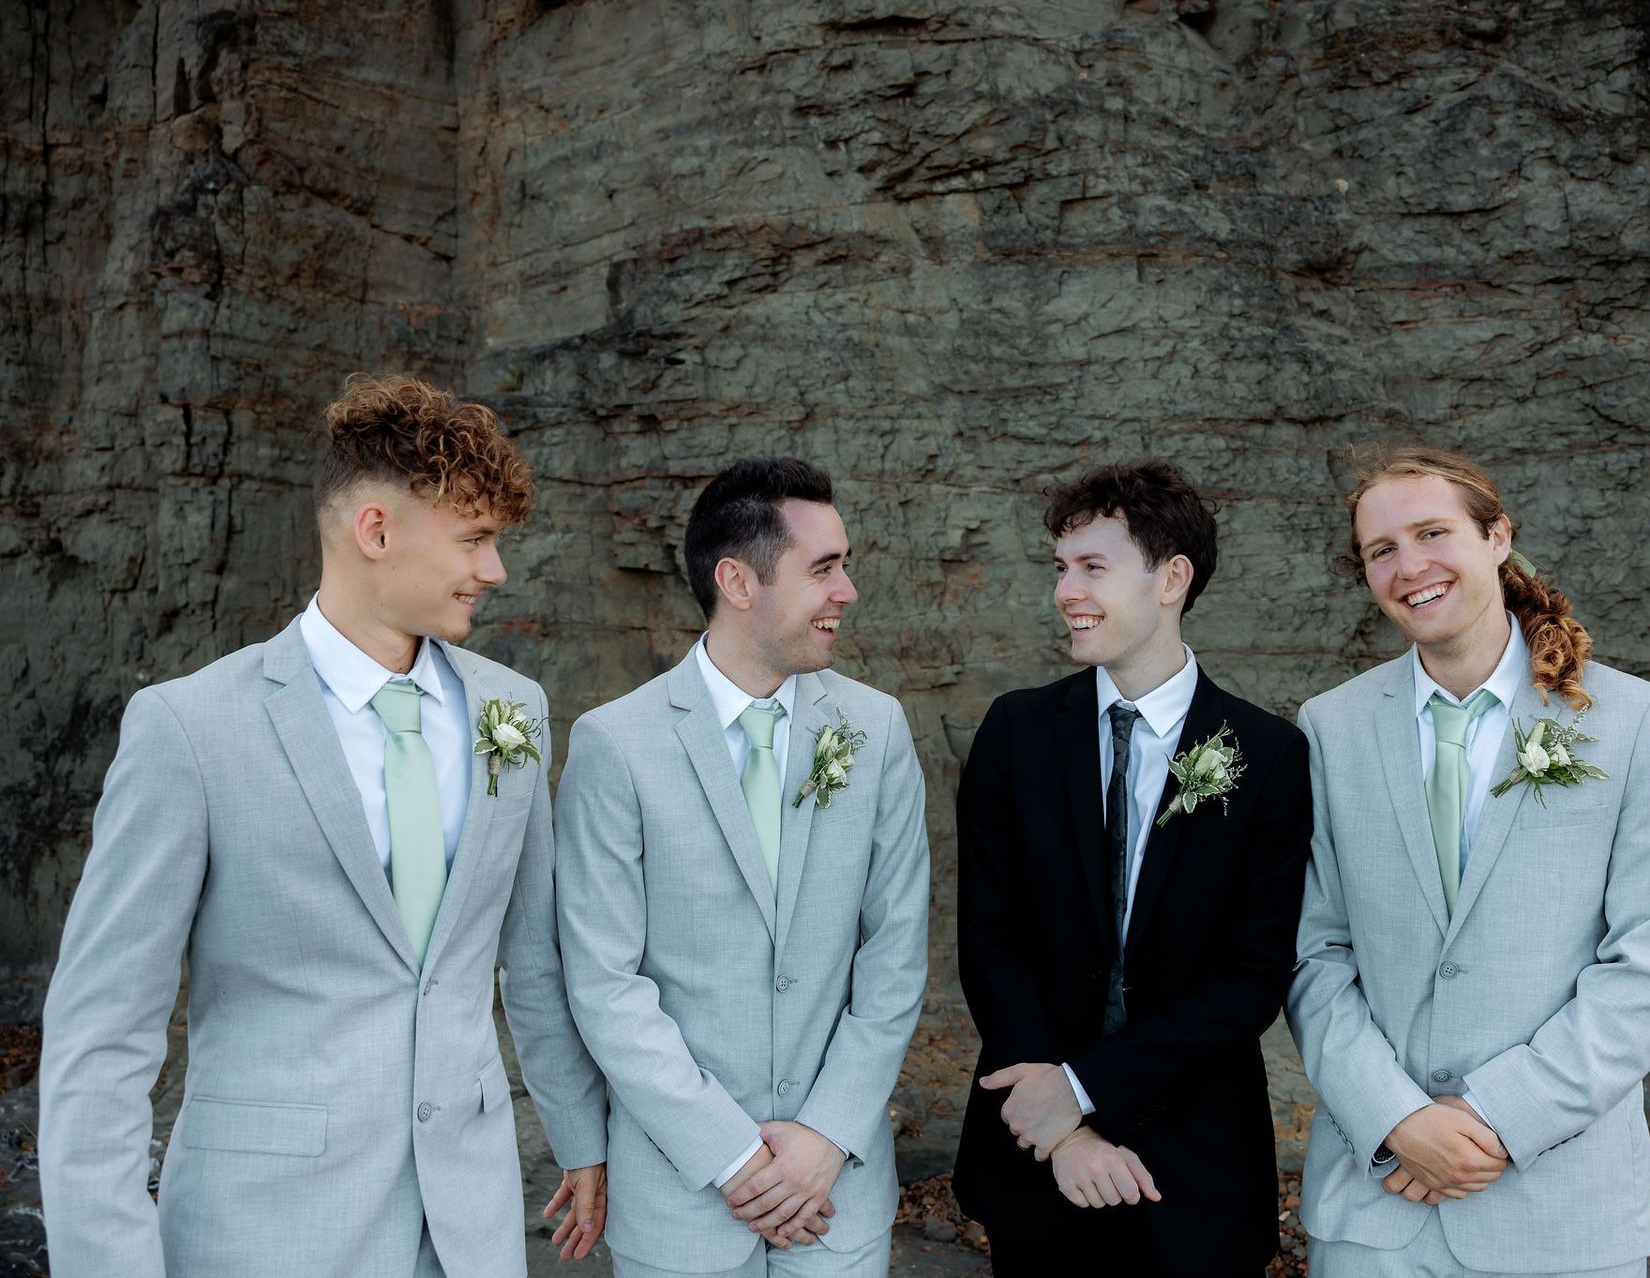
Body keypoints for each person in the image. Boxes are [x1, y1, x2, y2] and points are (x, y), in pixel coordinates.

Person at [38, 374, 609, 1277]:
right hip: (263, 1235)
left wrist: (582, 1137)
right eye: (475, 539)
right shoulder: (190, 727)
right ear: (374, 531)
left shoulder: (517, 710)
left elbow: (531, 956)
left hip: (470, 1230)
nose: (494, 571)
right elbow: (101, 1037)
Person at [1286, 444, 1650, 1277]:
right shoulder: (1331, 727)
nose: (1411, 567)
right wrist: (1396, 1116)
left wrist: (1493, 1117)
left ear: (1498, 536)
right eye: (1382, 549)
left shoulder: (1630, 719)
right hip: (1379, 1204)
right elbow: (1311, 951)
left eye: (1433, 532)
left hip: (1559, 1207)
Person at [555, 457, 929, 1278]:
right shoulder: (616, 744)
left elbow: (896, 951)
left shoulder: (877, 729)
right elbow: (604, 983)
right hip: (683, 1199)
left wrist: (828, 1133)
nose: (849, 590)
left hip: (835, 1196)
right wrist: (732, 1155)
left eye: (846, 564)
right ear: (737, 580)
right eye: (823, 568)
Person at [951, 459, 1313, 1277]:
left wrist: (1084, 1086)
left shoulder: (1268, 753)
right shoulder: (1016, 733)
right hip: (1038, 1148)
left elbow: (1252, 976)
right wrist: (1064, 1125)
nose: (1065, 591)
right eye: (1060, 568)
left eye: (1092, 567)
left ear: (1172, 578)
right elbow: (989, 940)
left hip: (1196, 1161)